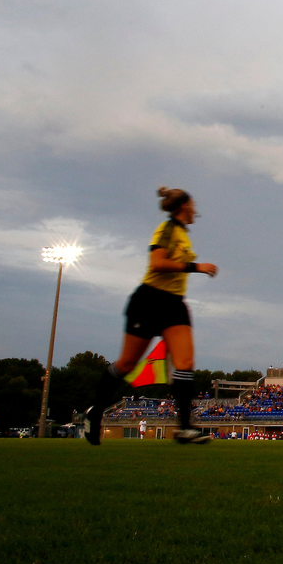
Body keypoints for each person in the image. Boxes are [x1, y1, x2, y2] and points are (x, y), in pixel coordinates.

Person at [83, 187, 219, 446]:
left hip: (174, 303)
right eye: (193, 205)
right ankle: (96, 411)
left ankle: (184, 428)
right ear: (184, 207)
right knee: (127, 364)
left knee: (185, 361)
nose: (196, 210)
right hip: (149, 299)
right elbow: (156, 263)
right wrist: (196, 267)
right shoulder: (166, 229)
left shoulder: (181, 233)